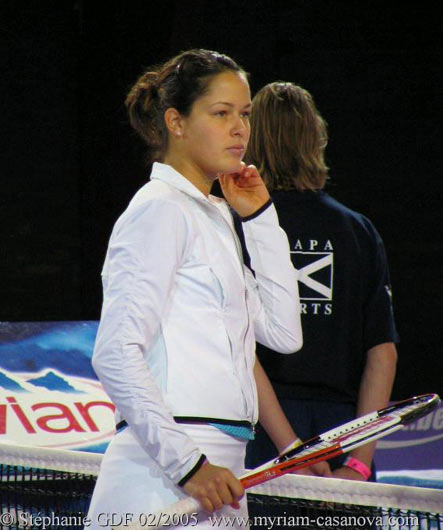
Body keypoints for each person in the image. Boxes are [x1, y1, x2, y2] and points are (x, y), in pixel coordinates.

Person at [86, 51, 305, 530]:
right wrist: (189, 465)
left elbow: (285, 334)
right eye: (221, 113)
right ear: (176, 122)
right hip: (163, 479)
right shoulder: (159, 209)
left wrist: (261, 219)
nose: (240, 129)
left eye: (244, 114)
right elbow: (115, 353)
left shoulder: (217, 215)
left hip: (221, 476)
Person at [244, 82, 398, 482]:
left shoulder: (236, 225)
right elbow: (381, 354)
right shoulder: (358, 231)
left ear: (251, 139)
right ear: (316, 138)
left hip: (265, 430)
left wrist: (289, 447)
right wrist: (359, 464)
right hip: (343, 433)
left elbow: (238, 349)